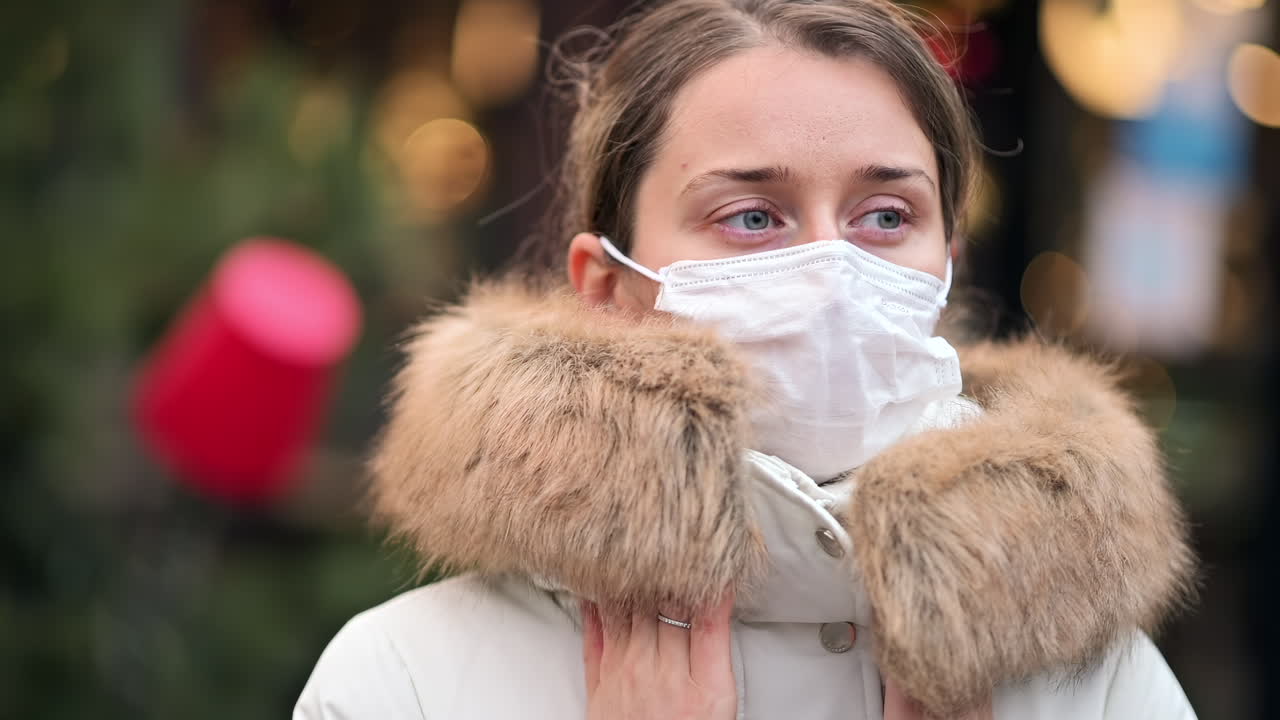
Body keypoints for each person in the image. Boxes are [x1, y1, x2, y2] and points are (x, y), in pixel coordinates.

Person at [294, 1, 1197, 718]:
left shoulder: (1094, 679)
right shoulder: (404, 680)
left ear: (946, 263)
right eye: (752, 217)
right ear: (611, 287)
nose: (831, 269)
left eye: (885, 216)